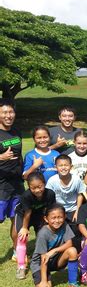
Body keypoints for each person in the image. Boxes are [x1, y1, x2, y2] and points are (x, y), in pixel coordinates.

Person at [30, 203, 84, 287]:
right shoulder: (43, 234)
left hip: (55, 259)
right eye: (53, 218)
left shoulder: (65, 225)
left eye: (60, 217)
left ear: (64, 216)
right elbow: (43, 259)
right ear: (46, 219)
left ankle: (73, 283)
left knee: (72, 250)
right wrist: (44, 280)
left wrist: (53, 251)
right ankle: (46, 276)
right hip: (40, 264)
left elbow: (69, 243)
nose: (57, 220)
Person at [14, 173, 56, 280]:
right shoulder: (26, 196)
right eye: (33, 188)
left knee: (42, 236)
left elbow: (51, 210)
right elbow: (27, 212)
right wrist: (24, 228)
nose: (37, 190)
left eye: (39, 187)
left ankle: (40, 258)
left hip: (39, 215)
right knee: (21, 238)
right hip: (23, 215)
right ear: (29, 187)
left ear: (44, 184)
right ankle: (21, 266)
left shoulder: (50, 193)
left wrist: (49, 223)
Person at [0, 99, 24, 259]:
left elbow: (19, 155)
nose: (8, 115)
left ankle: (17, 250)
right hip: (1, 185)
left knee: (17, 219)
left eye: (11, 112)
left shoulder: (17, 132)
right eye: (4, 112)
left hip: (17, 183)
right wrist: (1, 157)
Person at [46, 155, 86, 248]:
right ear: (56, 167)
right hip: (58, 209)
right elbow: (49, 197)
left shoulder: (76, 179)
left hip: (73, 209)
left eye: (66, 165)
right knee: (58, 231)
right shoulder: (52, 181)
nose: (63, 168)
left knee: (76, 232)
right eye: (60, 165)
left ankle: (77, 252)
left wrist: (77, 210)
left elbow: (80, 194)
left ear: (71, 167)